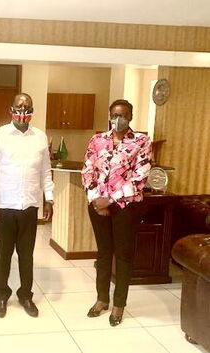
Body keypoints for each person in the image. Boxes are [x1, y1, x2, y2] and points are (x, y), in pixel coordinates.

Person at [0, 93, 54, 318]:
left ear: (33, 109)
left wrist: (48, 198)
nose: (23, 111)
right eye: (19, 107)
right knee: (3, 253)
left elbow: (45, 171)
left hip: (29, 206)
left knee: (27, 255)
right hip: (3, 205)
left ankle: (25, 295)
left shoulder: (40, 137)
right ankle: (1, 295)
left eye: (27, 107)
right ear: (10, 108)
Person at [81, 99, 151, 326]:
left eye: (123, 114)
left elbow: (139, 178)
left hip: (125, 206)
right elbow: (88, 169)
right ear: (109, 115)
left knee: (123, 255)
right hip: (97, 205)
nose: (118, 119)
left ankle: (119, 304)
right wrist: (95, 200)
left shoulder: (141, 141)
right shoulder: (97, 140)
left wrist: (108, 200)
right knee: (103, 253)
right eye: (114, 114)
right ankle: (102, 299)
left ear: (130, 116)